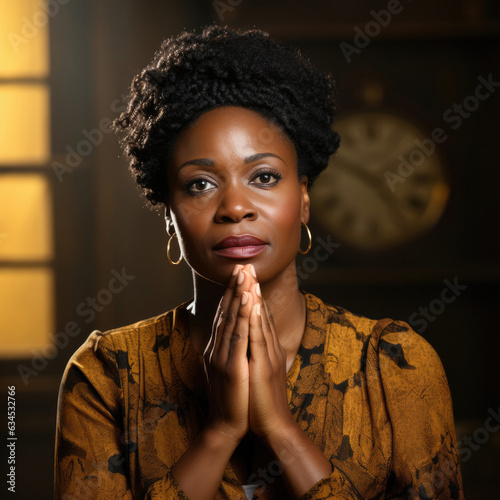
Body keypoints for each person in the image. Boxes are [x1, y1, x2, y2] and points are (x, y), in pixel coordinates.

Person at [54, 24, 464, 500]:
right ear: (169, 216)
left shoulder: (395, 367)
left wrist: (282, 431)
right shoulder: (106, 375)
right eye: (200, 184)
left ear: (305, 200)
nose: (235, 207)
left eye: (264, 176)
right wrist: (221, 431)